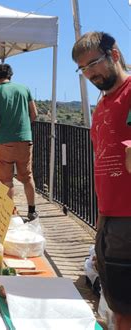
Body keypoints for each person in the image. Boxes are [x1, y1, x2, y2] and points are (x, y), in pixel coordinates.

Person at [72, 32, 131, 330]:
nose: (90, 73)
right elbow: (103, 168)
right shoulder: (103, 105)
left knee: (124, 311)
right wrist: (101, 221)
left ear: (115, 55)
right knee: (116, 306)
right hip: (110, 218)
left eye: (94, 63)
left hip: (128, 220)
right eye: (83, 68)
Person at [0, 64, 38, 220]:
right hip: (25, 139)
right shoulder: (24, 89)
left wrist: (0, 130)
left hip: (5, 140)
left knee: (6, 180)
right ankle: (32, 210)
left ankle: (9, 214)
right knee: (28, 177)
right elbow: (34, 113)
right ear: (10, 76)